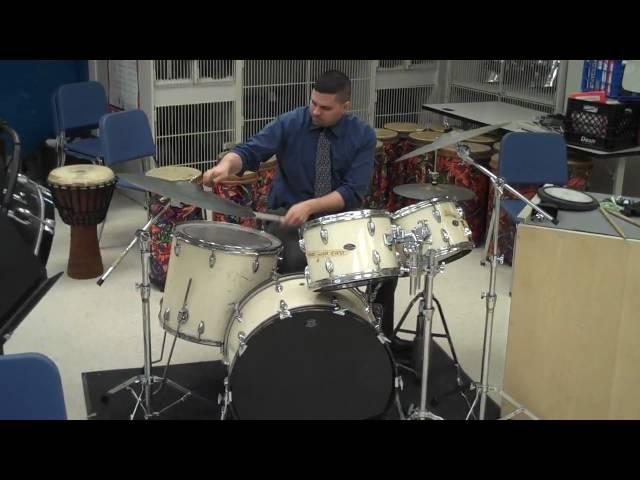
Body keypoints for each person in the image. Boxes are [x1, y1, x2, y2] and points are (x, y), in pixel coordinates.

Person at [203, 70, 402, 347]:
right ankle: (294, 341)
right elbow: (249, 151)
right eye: (313, 103)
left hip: (338, 221)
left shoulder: (362, 135)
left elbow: (352, 191)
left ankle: (380, 343)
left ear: (345, 107)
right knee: (296, 262)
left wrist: (311, 206)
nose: (316, 111)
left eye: (325, 107)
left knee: (385, 267)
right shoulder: (292, 121)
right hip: (288, 217)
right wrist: (227, 164)